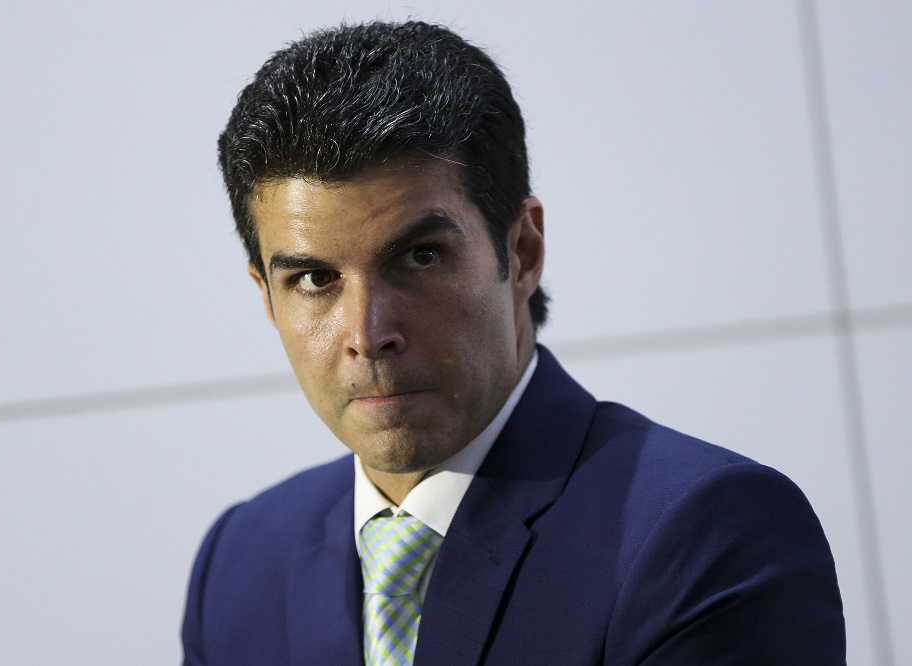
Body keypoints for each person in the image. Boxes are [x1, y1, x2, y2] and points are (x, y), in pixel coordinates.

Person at [181, 20, 845, 665]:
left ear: (522, 251)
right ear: (267, 297)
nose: (368, 335)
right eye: (314, 279)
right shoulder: (240, 563)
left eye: (419, 257)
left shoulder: (703, 530)